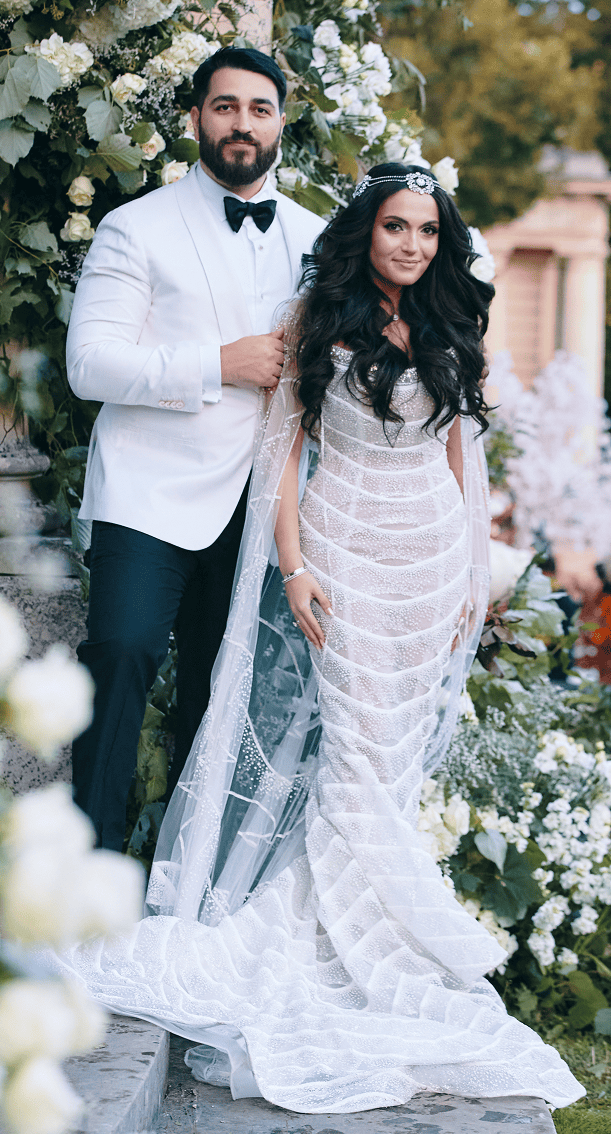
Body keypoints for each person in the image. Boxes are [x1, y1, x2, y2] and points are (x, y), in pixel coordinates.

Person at [56, 163, 584, 1112]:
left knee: (389, 759)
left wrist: (471, 571)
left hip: (426, 561)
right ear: (367, 233)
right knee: (351, 750)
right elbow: (284, 450)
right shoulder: (318, 318)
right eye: (396, 228)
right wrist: (296, 569)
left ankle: (374, 935)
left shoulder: (454, 321)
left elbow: (465, 449)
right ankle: (330, 936)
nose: (412, 246)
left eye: (427, 231)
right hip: (340, 550)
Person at [66, 47, 325, 853]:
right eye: (224, 107)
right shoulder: (133, 227)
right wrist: (218, 364)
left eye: (258, 108)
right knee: (121, 657)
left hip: (259, 507)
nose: (241, 123)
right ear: (195, 120)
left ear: (281, 122)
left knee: (222, 698)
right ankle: (90, 873)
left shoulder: (322, 242)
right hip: (149, 495)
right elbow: (89, 365)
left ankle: (188, 887)